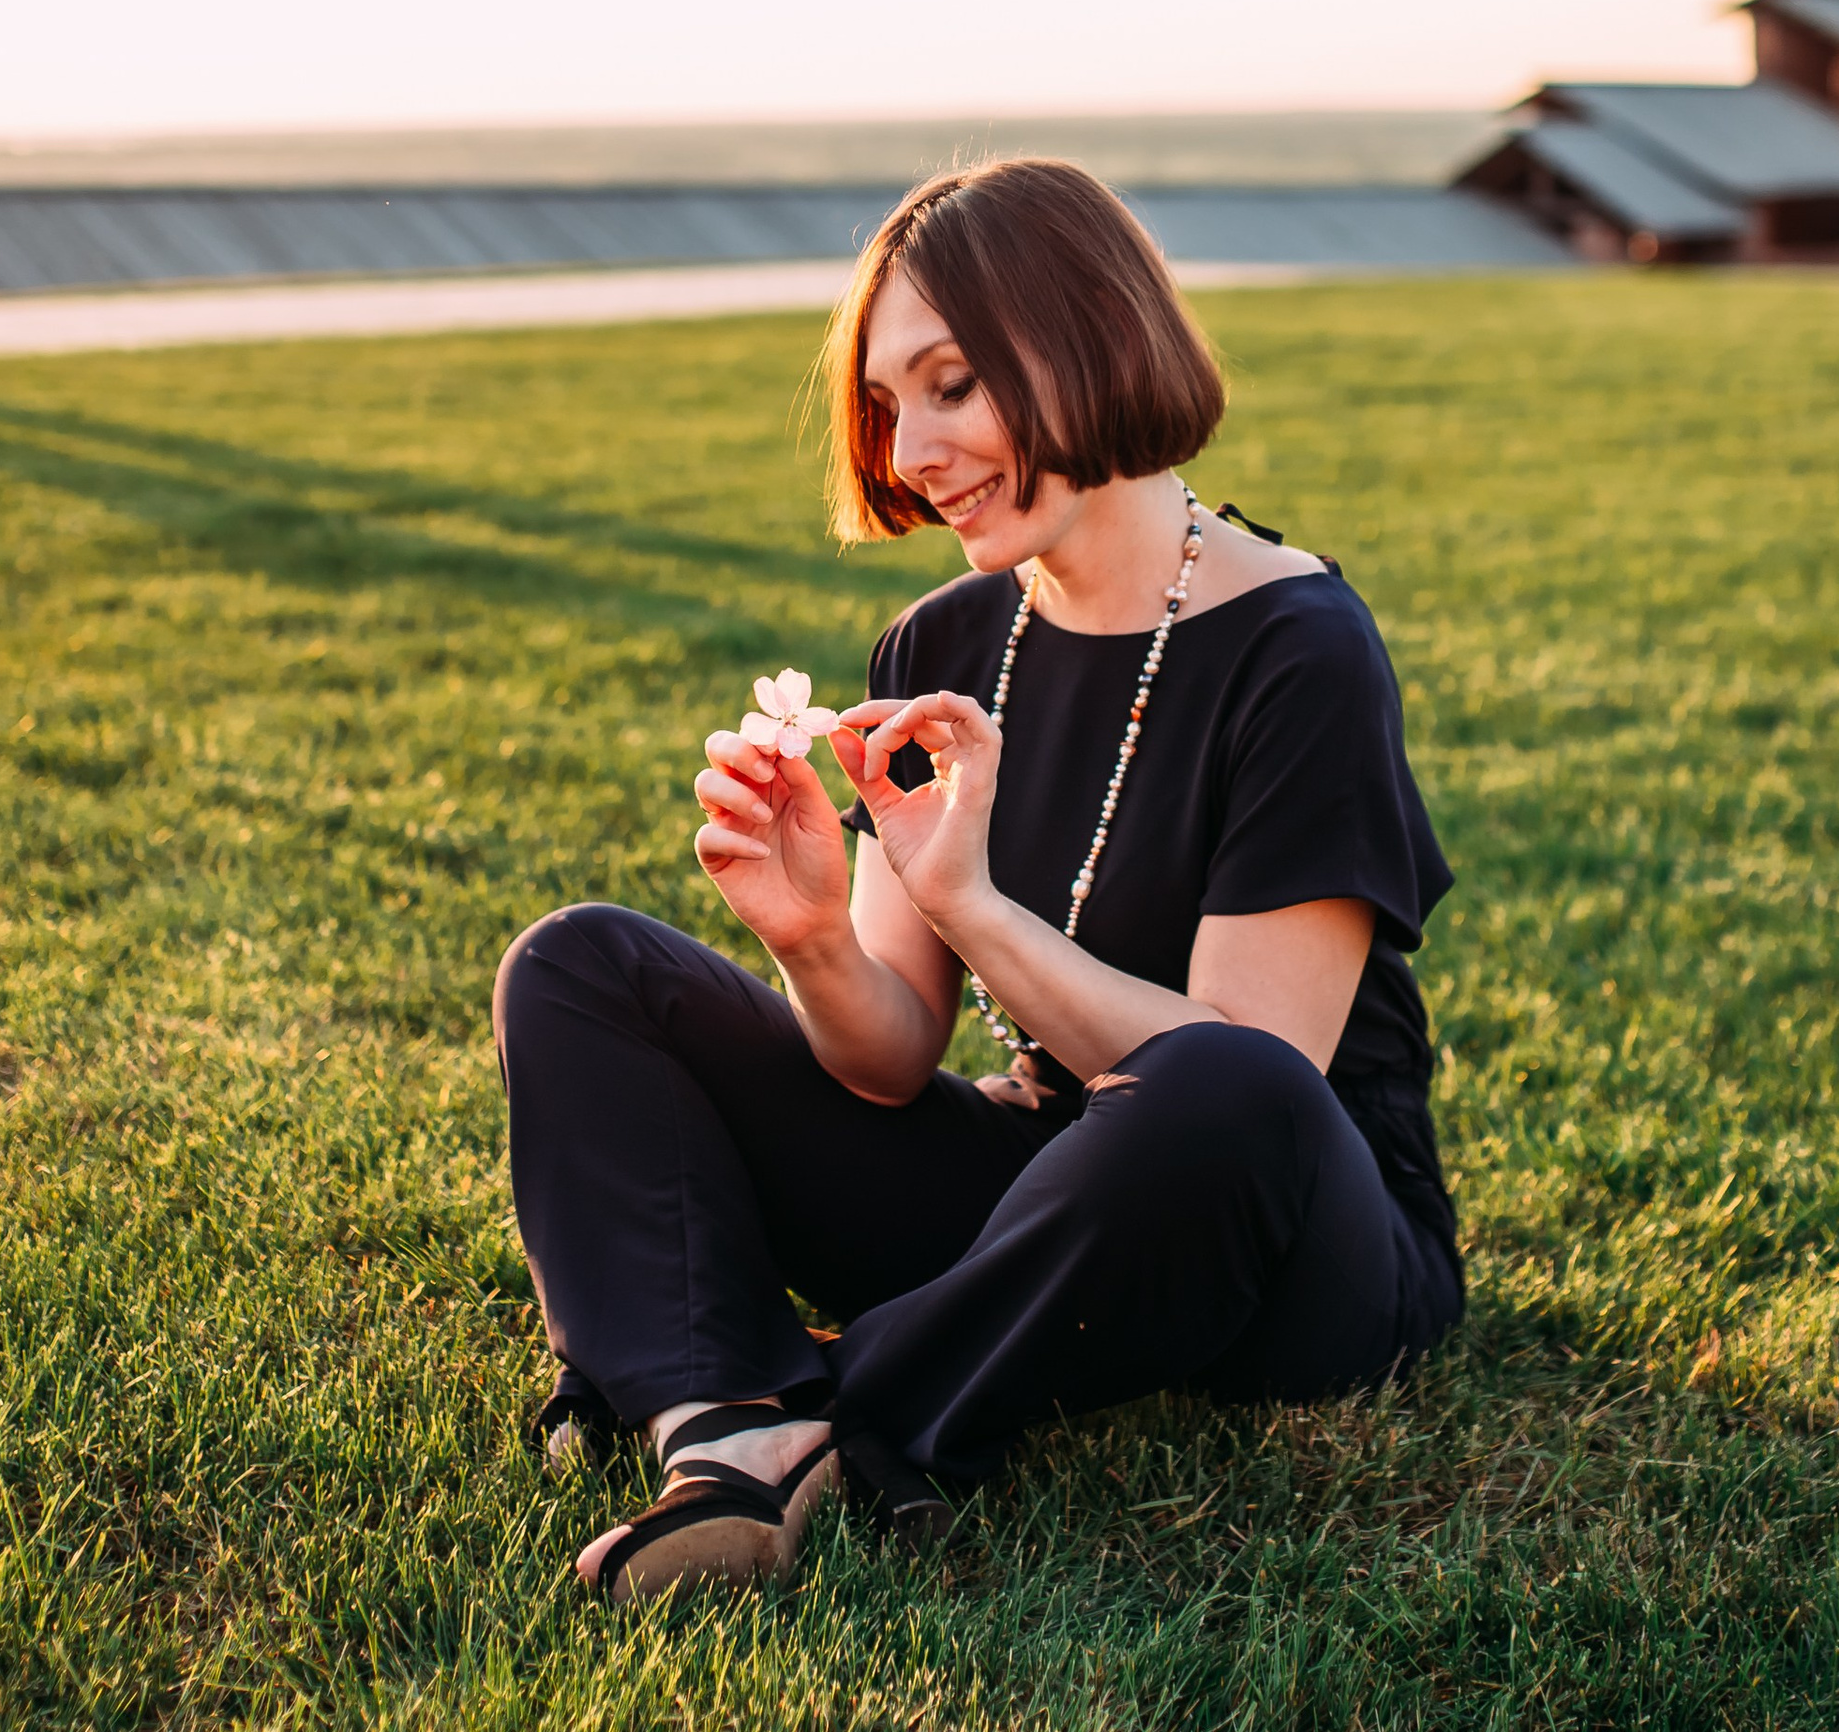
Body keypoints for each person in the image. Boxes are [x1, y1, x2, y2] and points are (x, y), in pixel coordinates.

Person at [493, 156, 1463, 1606]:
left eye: (951, 387)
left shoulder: (1298, 647)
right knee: (579, 966)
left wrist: (973, 907)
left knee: (1226, 1082)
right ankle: (722, 1420)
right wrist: (818, 939)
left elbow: (1259, 1070)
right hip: (1045, 1185)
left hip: (1294, 1227)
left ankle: (825, 1400)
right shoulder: (940, 640)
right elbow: (891, 1063)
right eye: (889, 404)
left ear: (1086, 339)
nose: (910, 448)